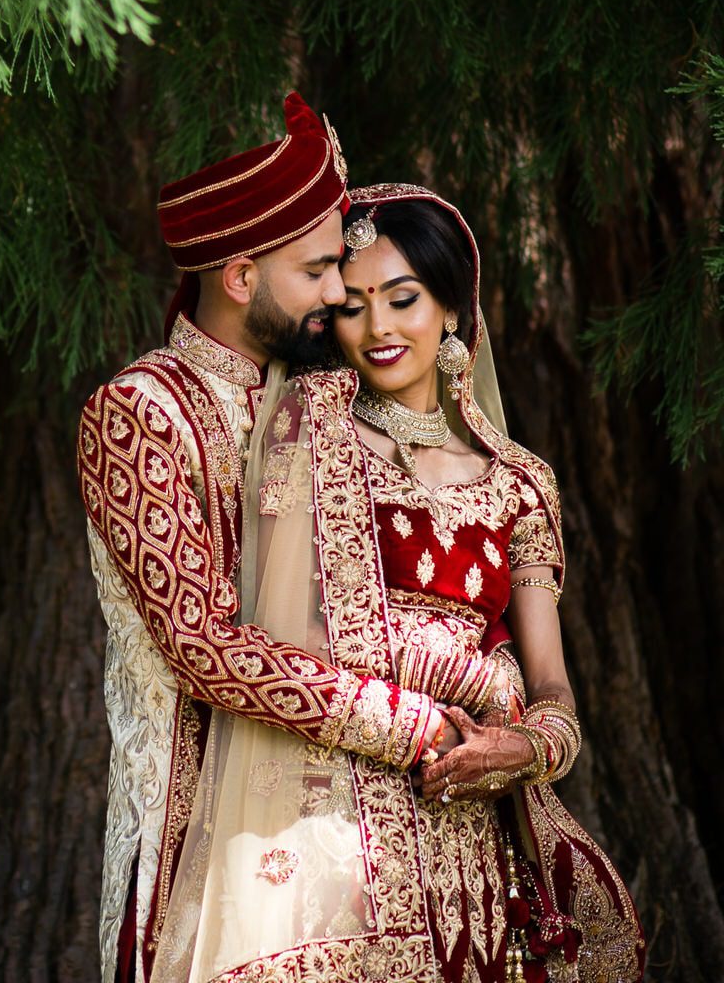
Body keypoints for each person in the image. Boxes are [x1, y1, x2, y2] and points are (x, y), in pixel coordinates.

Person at [147, 185, 646, 983]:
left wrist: (524, 744)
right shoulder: (309, 430)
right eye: (354, 305)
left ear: (451, 308)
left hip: (479, 842)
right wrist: (463, 680)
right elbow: (286, 640)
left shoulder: (522, 484)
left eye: (403, 299)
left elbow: (553, 687)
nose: (378, 328)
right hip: (328, 823)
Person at [76, 98, 461, 983]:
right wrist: (408, 722)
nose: (340, 291)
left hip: (368, 829)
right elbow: (206, 649)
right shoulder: (143, 413)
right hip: (203, 842)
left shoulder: (326, 392)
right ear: (243, 278)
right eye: (320, 269)